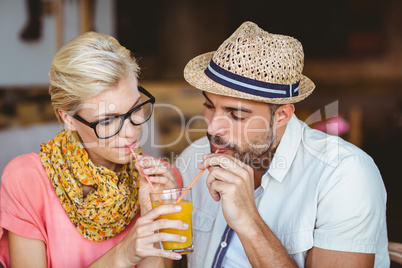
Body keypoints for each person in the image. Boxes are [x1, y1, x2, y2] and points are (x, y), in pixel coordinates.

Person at [176, 21, 389, 267]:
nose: (212, 128)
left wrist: (249, 221)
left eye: (236, 115)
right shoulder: (195, 156)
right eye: (210, 106)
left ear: (282, 115)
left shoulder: (343, 174)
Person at [0, 32, 187, 267]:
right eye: (107, 121)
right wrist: (123, 254)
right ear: (67, 119)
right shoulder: (27, 179)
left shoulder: (165, 181)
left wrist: (155, 215)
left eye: (136, 109)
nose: (130, 132)